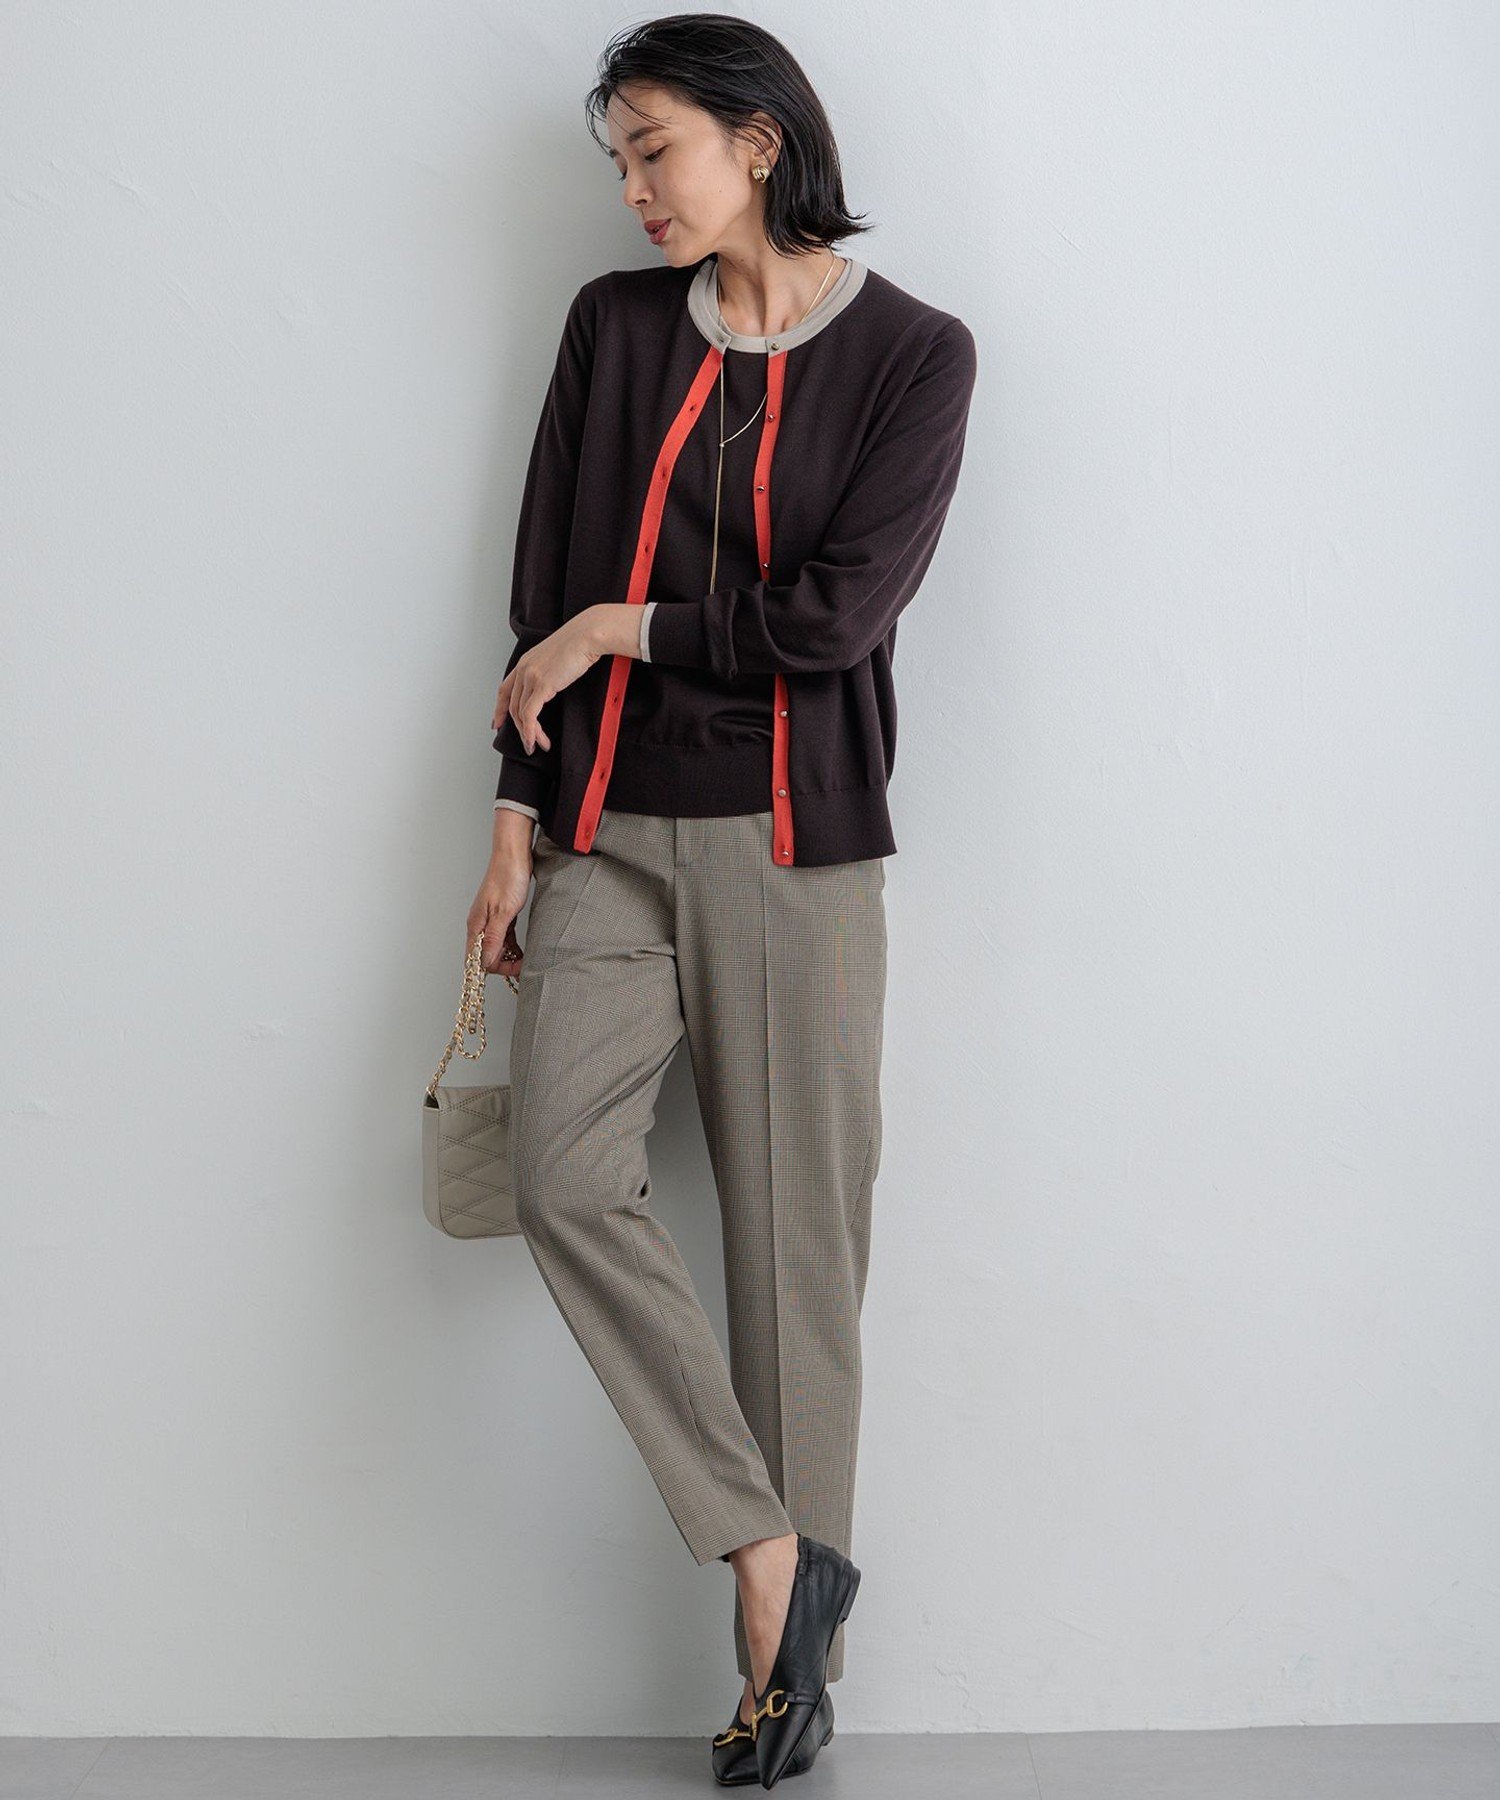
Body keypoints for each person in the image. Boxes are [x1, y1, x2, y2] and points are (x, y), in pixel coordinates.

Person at [465, 16, 977, 1787]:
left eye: (653, 149)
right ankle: (775, 1552)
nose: (632, 188)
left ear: (758, 142)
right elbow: (538, 588)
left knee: (793, 1255)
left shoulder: (915, 355)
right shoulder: (614, 329)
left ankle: (781, 1673)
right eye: (619, 158)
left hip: (790, 842)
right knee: (559, 1175)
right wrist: (514, 814)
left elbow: (833, 620)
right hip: (604, 830)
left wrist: (624, 628)